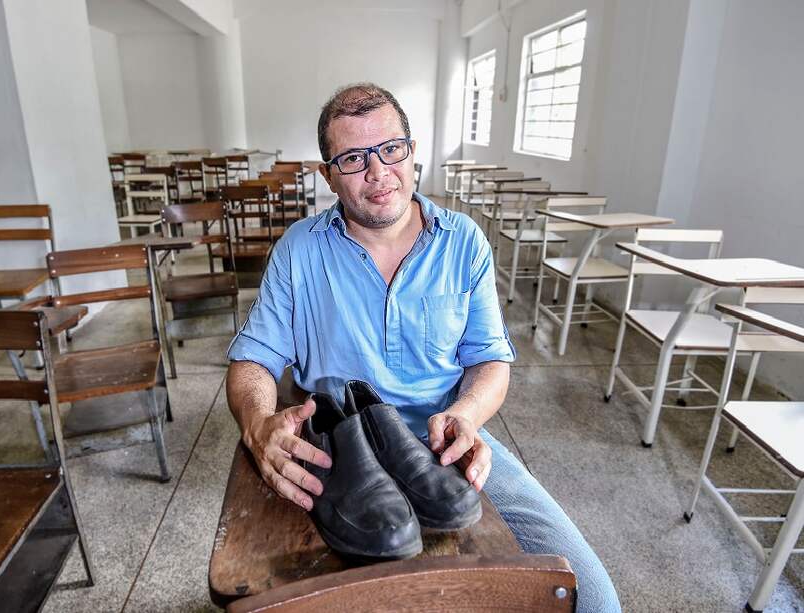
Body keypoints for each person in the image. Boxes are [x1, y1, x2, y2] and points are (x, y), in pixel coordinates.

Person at [226, 83, 621, 613]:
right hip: (340, 449)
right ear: (327, 174)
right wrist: (257, 424)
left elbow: (489, 361)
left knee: (593, 600)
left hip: (442, 445)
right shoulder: (299, 250)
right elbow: (253, 359)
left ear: (413, 152)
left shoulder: (463, 241)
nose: (378, 172)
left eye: (391, 149)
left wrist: (467, 414)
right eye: (352, 158)